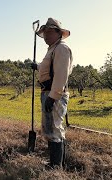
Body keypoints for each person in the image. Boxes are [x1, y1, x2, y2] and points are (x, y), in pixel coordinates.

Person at [30, 18, 73, 168]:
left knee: (55, 129)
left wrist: (53, 97)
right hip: (48, 92)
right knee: (50, 128)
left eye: (49, 32)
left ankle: (56, 167)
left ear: (58, 33)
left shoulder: (61, 48)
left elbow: (61, 75)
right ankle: (55, 162)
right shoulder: (53, 49)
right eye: (45, 33)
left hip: (54, 94)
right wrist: (37, 66)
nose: (46, 36)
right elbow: (48, 68)